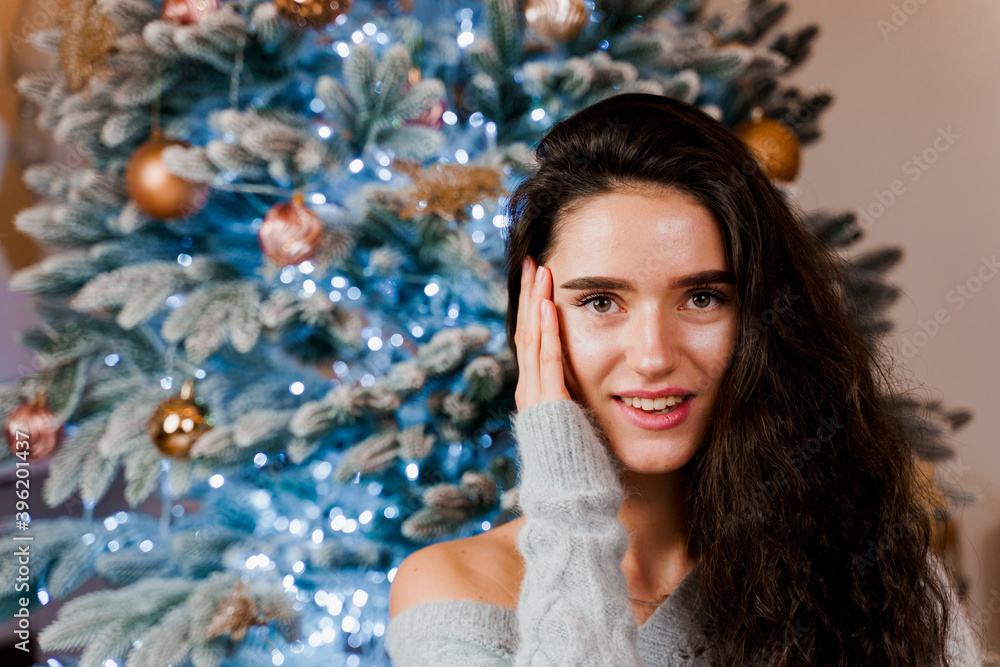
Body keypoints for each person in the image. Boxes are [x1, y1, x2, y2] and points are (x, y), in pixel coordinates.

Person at [386, 93, 987, 665]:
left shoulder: (871, 566)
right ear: (535, 324)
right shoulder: (452, 592)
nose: (652, 356)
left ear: (759, 316)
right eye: (600, 302)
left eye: (701, 298)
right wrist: (569, 501)